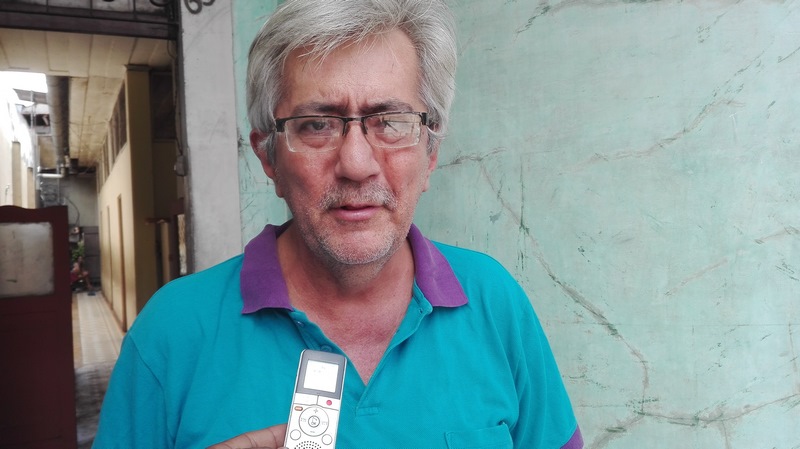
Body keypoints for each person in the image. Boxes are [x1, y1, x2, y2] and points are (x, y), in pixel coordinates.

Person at [93, 1, 583, 448]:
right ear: (268, 157)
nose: (356, 164)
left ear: (430, 153)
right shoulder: (172, 332)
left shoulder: (494, 300)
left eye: (390, 121)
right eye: (317, 124)